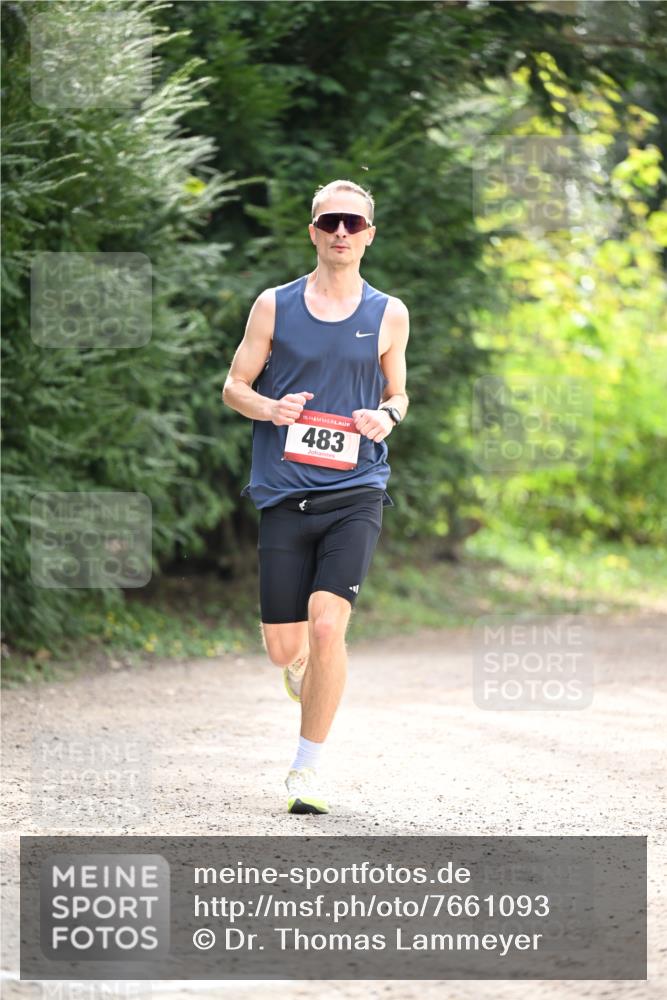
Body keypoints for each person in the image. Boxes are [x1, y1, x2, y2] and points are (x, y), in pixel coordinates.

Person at [222, 179, 409, 814]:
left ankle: (307, 771)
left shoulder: (389, 313)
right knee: (285, 644)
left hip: (356, 488)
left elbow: (398, 393)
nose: (340, 232)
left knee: (329, 623)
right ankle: (300, 669)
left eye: (352, 224)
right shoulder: (273, 306)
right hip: (285, 491)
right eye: (329, 222)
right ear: (313, 232)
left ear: (368, 236)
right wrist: (270, 407)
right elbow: (233, 387)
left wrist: (389, 416)